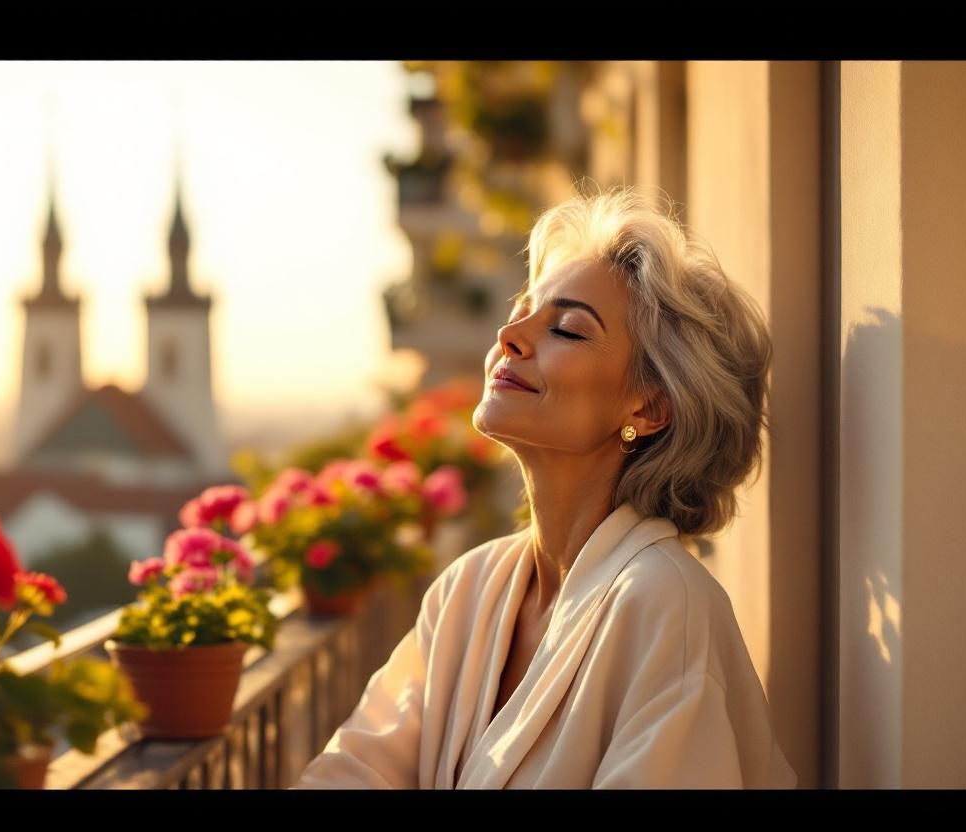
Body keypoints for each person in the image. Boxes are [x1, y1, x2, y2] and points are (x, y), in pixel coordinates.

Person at [293, 187, 799, 789]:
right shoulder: (470, 589)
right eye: (524, 308)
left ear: (651, 405)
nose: (510, 333)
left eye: (567, 329)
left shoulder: (666, 608)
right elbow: (355, 771)